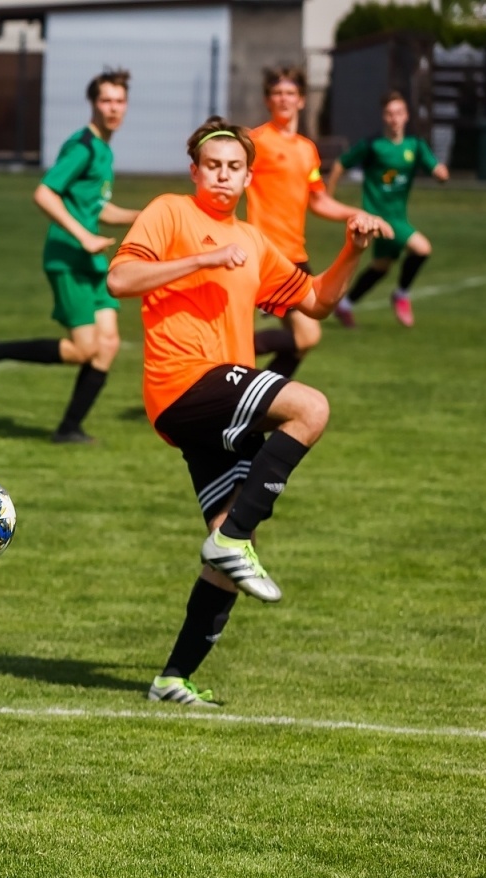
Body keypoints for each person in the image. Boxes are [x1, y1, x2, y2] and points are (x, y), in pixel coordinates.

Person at [106, 118, 389, 707]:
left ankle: (172, 680)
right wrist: (198, 262)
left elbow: (317, 301)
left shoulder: (255, 242)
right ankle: (231, 539)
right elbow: (120, 277)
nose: (223, 175)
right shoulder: (170, 212)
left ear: (247, 176)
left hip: (212, 402)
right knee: (310, 406)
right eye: (213, 165)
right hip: (182, 381)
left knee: (232, 542)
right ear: (195, 170)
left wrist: (352, 251)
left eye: (234, 167)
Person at [0, 69, 140, 445]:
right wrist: (83, 236)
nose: (114, 108)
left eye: (120, 101)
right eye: (106, 100)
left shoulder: (104, 148)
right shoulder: (83, 146)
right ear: (93, 104)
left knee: (107, 344)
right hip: (68, 256)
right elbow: (44, 193)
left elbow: (97, 208)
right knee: (84, 349)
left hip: (91, 260)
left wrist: (141, 217)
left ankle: (68, 428)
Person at [245, 66, 360, 378]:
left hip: (296, 256)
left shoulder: (307, 150)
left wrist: (357, 215)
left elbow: (319, 200)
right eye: (277, 93)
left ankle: (254, 392)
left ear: (302, 100)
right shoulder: (257, 142)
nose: (284, 99)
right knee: (308, 336)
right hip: (267, 255)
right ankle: (231, 356)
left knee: (306, 339)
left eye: (290, 93)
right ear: (268, 100)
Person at [330, 92, 449, 328]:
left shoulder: (414, 145)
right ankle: (402, 294)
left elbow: (436, 169)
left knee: (380, 267)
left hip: (398, 215)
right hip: (379, 217)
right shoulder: (373, 145)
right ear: (383, 117)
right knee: (422, 249)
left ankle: (345, 306)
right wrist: (327, 195)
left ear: (406, 116)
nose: (394, 119)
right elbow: (340, 164)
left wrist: (441, 174)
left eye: (398, 113)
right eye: (389, 114)